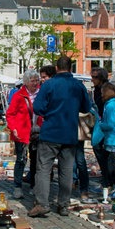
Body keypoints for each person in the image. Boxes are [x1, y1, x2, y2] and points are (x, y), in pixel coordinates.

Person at [30, 56, 91, 217]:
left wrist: (50, 112)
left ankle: (42, 203)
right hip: (69, 133)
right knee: (66, 170)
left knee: (43, 169)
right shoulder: (78, 85)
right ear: (71, 68)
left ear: (57, 68)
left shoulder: (49, 84)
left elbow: (37, 107)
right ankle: (63, 204)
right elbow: (87, 107)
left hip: (51, 132)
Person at [6, 69, 41, 199]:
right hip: (22, 133)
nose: (35, 83)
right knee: (21, 160)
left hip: (38, 132)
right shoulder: (18, 95)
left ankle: (33, 185)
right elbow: (10, 114)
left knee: (35, 160)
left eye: (37, 80)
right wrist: (13, 128)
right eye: (32, 81)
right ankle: (17, 186)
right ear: (26, 82)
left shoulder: (41, 93)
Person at [98, 82, 115, 200]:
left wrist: (100, 124)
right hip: (112, 137)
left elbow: (112, 124)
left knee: (113, 164)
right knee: (110, 163)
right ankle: (113, 186)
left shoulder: (110, 106)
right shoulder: (113, 105)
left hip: (111, 137)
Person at [89, 67, 112, 194]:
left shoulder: (107, 88)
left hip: (106, 126)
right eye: (92, 77)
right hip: (100, 125)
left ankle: (109, 182)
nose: (92, 79)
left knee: (107, 154)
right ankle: (106, 180)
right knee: (99, 151)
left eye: (95, 77)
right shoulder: (96, 90)